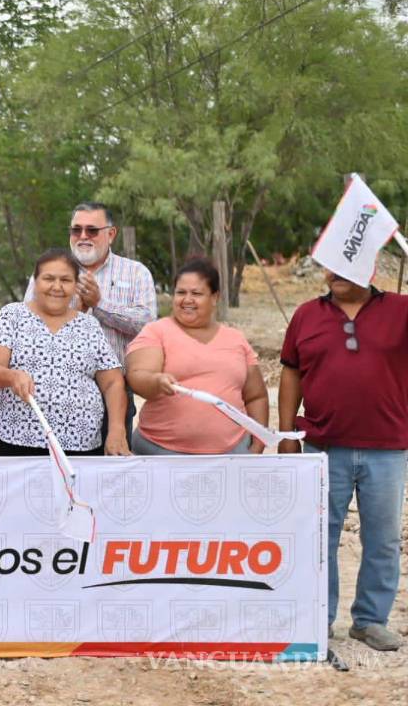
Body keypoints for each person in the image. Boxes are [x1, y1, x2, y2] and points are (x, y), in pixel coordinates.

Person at [278, 268, 408, 651]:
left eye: (345, 263)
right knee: (320, 538)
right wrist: (287, 434)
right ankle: (319, 619)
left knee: (383, 539)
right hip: (322, 446)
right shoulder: (306, 314)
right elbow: (290, 373)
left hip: (387, 447)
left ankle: (370, 620)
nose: (334, 272)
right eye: (328, 264)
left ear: (367, 267)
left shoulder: (401, 310)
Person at [25, 202, 156, 438]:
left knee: (109, 468)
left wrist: (100, 304)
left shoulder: (136, 273)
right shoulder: (48, 271)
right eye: (76, 230)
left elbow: (147, 325)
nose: (83, 236)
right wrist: (76, 306)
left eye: (92, 230)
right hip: (52, 391)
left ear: (111, 233)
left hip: (113, 393)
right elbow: (29, 323)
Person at [0, 249, 128, 456]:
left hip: (81, 444)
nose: (57, 287)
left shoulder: (89, 325)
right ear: (35, 281)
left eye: (66, 280)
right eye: (48, 278)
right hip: (17, 441)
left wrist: (116, 429)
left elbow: (113, 382)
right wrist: (12, 375)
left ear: (75, 285)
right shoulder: (12, 315)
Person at [125, 258, 266, 455]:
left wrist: (258, 442)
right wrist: (156, 381)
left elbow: (256, 396)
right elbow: (137, 376)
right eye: (181, 292)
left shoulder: (236, 339)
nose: (187, 299)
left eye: (196, 293)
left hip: (232, 452)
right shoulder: (156, 331)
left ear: (215, 297)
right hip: (161, 451)